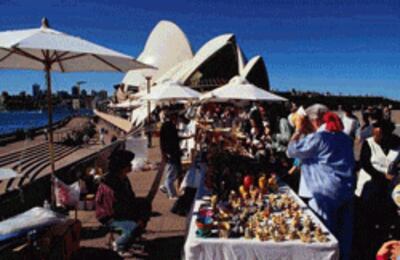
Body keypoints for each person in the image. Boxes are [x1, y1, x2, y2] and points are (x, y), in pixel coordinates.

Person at [287, 105, 355, 260]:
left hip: (324, 193)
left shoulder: (319, 138)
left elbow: (291, 150)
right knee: (344, 237)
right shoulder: (344, 137)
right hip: (345, 191)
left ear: (314, 121)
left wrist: (298, 129)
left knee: (324, 236)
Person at [97, 150, 151, 256]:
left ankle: (131, 239)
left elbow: (130, 198)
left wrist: (142, 213)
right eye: (128, 164)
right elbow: (114, 208)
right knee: (134, 226)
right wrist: (136, 218)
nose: (131, 165)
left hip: (122, 211)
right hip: (110, 217)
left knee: (144, 205)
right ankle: (119, 245)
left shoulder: (123, 179)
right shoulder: (110, 183)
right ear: (121, 167)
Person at [358, 121, 400, 258]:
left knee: (386, 217)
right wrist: (382, 176)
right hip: (370, 183)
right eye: (374, 133)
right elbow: (365, 163)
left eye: (379, 134)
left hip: (389, 187)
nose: (376, 137)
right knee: (367, 218)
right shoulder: (369, 143)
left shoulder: (397, 143)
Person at [159, 113, 182, 199]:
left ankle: (165, 187)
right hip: (171, 153)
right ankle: (172, 194)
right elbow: (163, 141)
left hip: (172, 153)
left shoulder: (169, 125)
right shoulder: (168, 126)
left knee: (173, 172)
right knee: (172, 173)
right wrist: (164, 153)